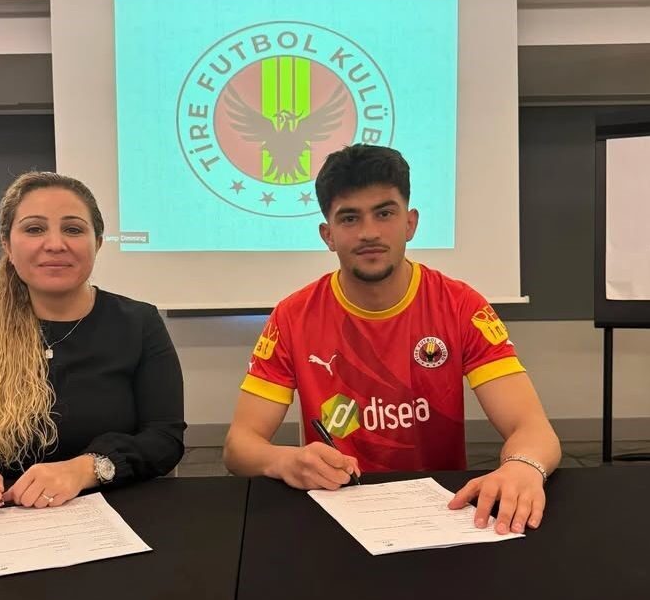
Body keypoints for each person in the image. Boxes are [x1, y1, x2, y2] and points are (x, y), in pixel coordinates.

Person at [224, 144, 561, 535]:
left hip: (442, 515)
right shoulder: (293, 316)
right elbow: (239, 445)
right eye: (349, 218)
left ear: (410, 223)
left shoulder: (460, 305)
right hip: (335, 515)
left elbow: (533, 428)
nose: (369, 232)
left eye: (384, 213)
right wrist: (285, 461)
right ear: (328, 235)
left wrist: (522, 465)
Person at [0, 171, 185, 514]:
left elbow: (164, 439)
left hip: (115, 517)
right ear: (7, 245)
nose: (55, 244)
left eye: (73, 229)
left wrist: (85, 469)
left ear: (97, 243)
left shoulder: (139, 324)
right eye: (34, 229)